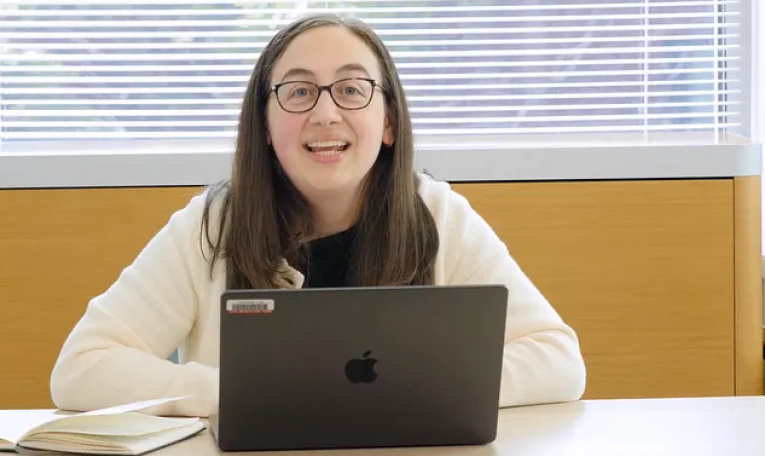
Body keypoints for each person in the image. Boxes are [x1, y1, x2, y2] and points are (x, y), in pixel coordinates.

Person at [49, 13, 586, 417]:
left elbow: (558, 361)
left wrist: (411, 385)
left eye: (352, 89)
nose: (326, 113)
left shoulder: (439, 214)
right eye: (300, 91)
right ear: (264, 124)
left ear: (389, 122)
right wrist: (237, 392)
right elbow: (81, 368)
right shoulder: (214, 223)